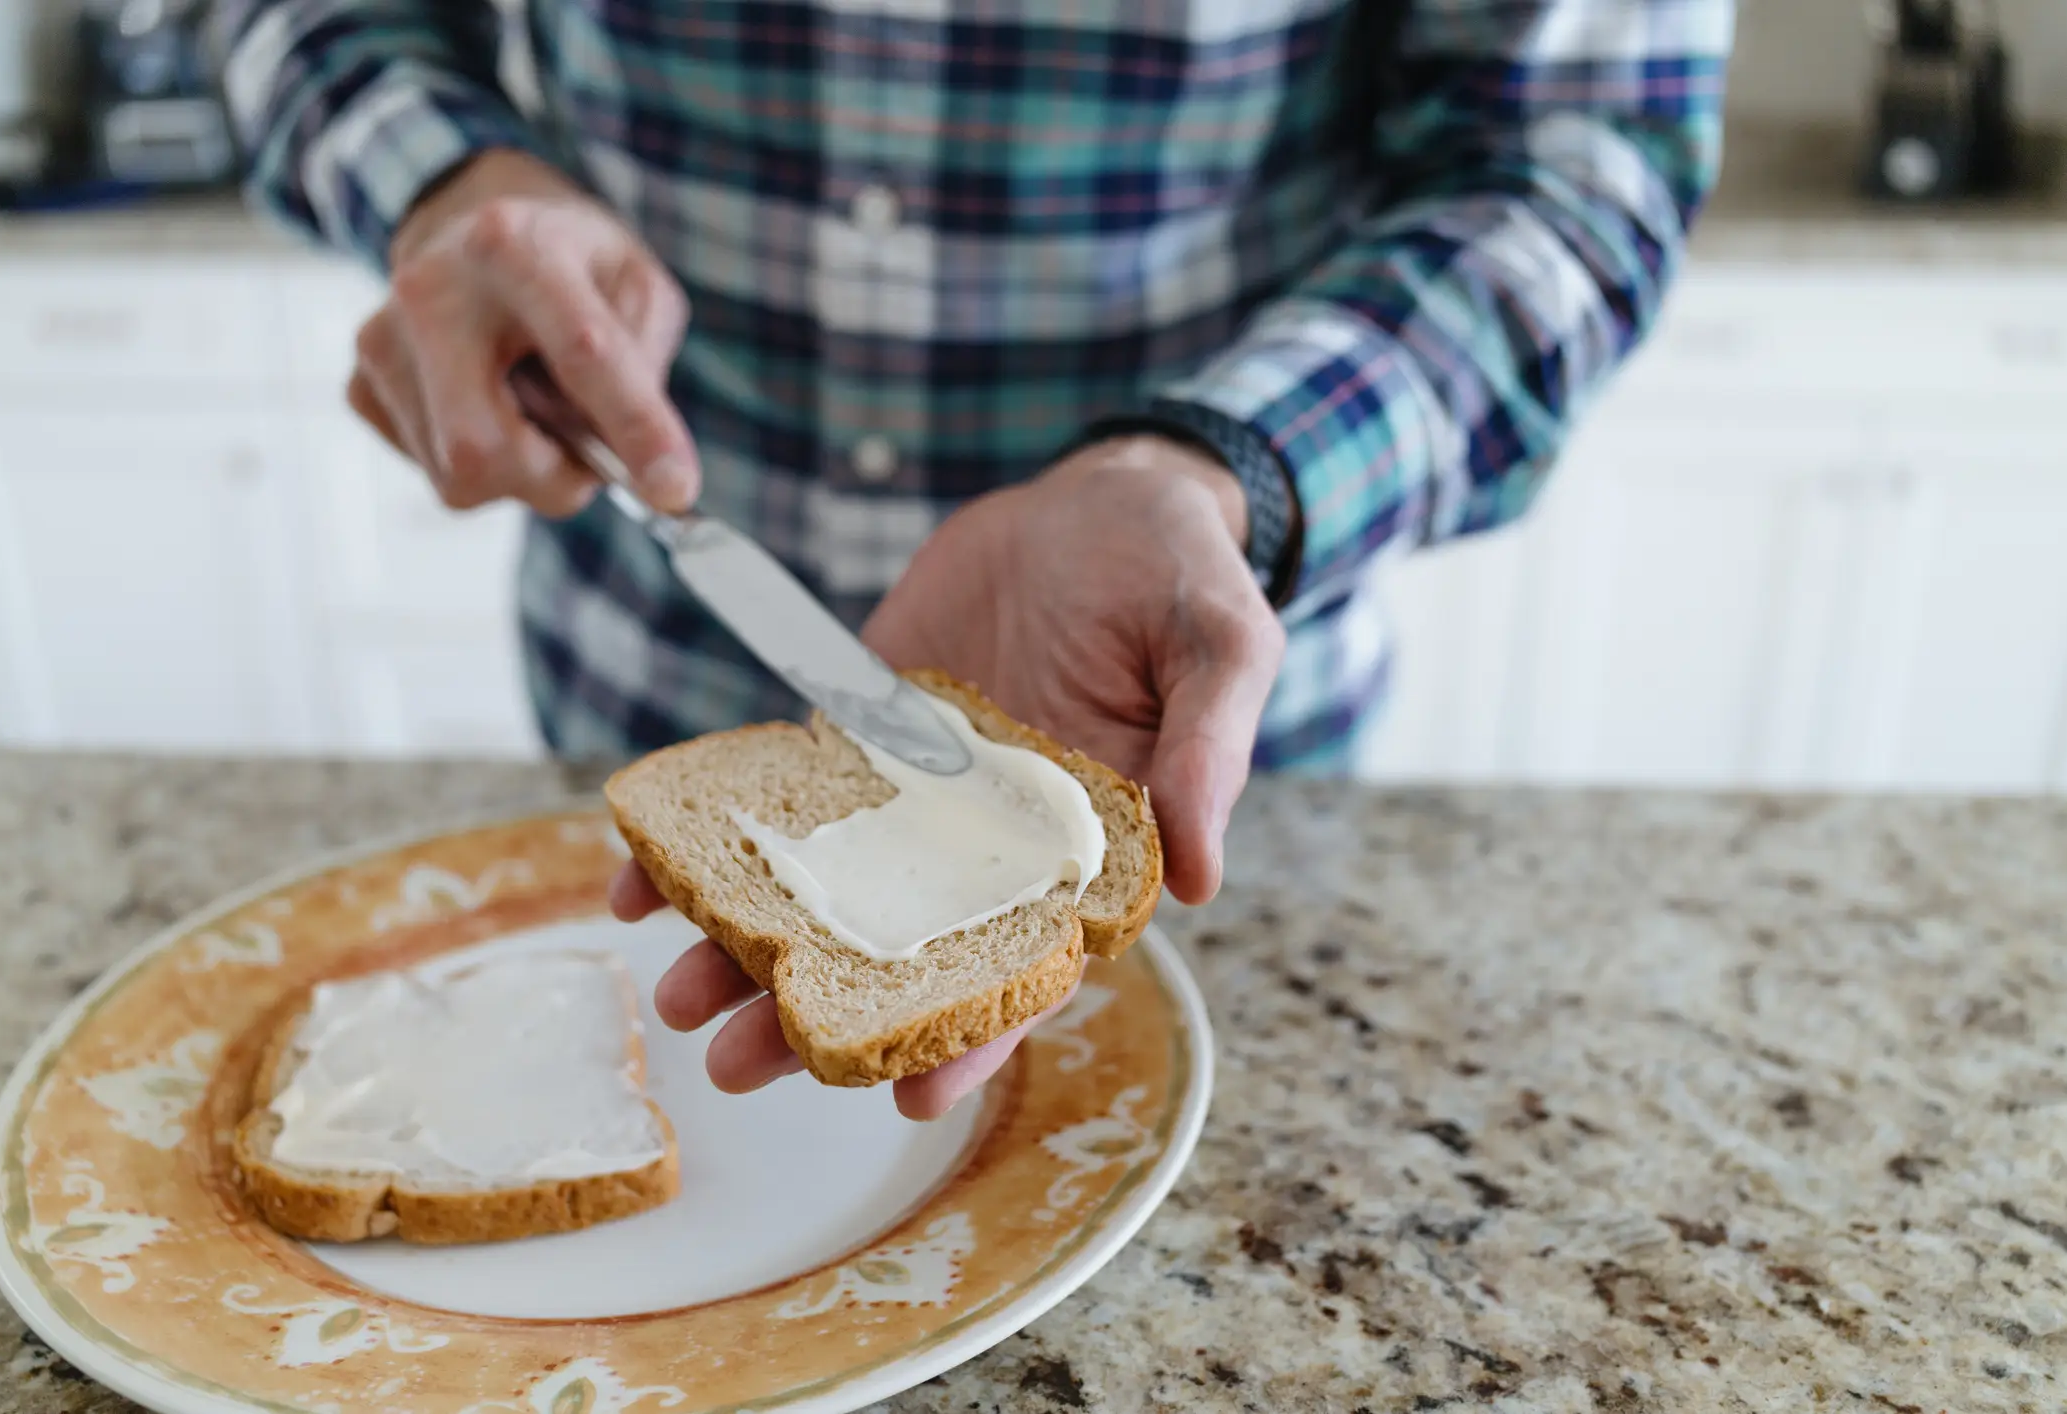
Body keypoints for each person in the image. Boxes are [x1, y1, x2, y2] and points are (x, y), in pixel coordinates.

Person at [216, 0, 1731, 1117]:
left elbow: (1572, 169)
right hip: (639, 669)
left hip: (1182, 725)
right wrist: (446, 182)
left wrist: (1211, 469)